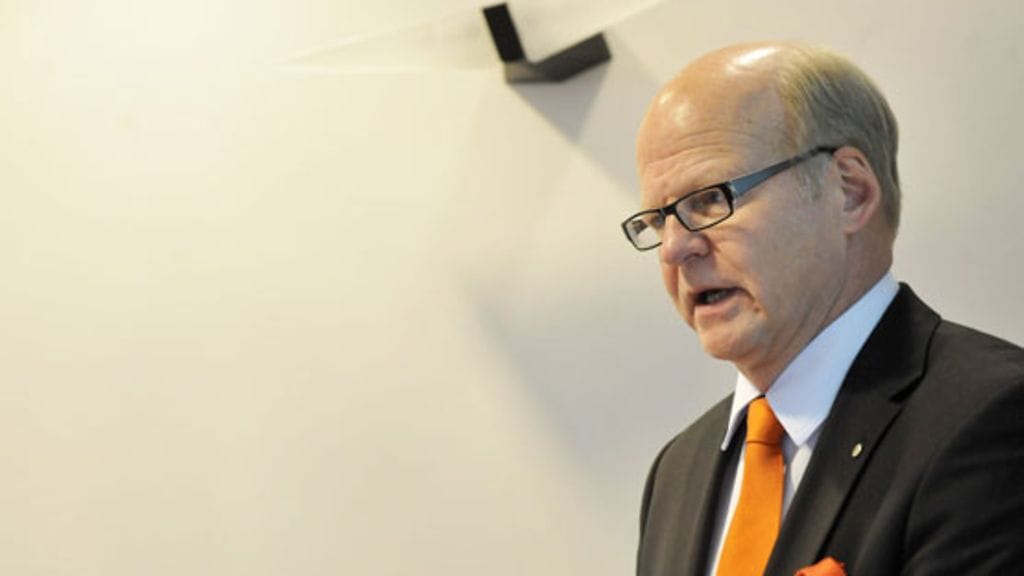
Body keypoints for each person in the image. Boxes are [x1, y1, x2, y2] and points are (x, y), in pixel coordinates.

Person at [622, 41, 1024, 576]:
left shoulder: (992, 414)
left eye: (711, 199)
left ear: (849, 192)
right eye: (657, 220)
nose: (675, 249)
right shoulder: (677, 471)